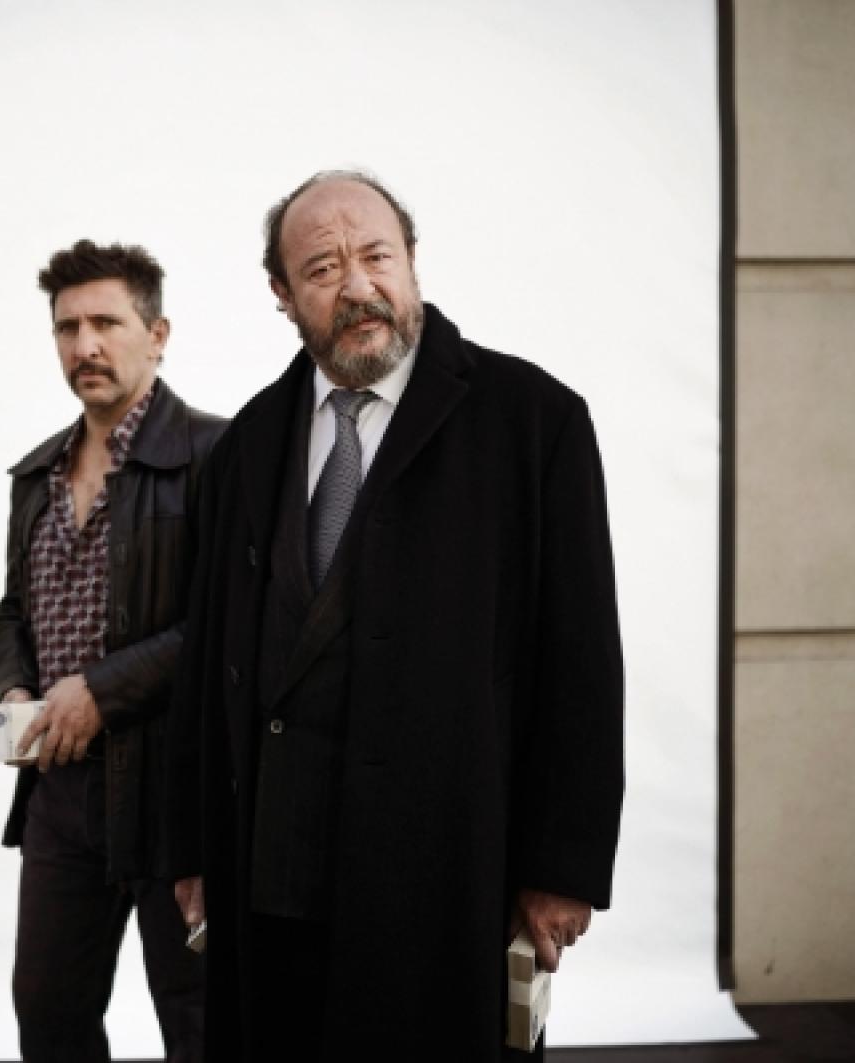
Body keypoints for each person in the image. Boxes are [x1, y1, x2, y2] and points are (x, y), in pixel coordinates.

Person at [167, 172, 625, 1061]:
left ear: (412, 261)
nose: (358, 287)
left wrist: (561, 866)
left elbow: (581, 665)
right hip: (269, 879)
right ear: (281, 293)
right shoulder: (244, 447)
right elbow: (206, 661)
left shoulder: (534, 423)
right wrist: (194, 849)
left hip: (446, 872)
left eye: (377, 256)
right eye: (322, 269)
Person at [0, 239, 225, 1063]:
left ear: (157, 335)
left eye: (105, 323)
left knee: (200, 1021)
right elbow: (12, 614)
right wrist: (17, 689)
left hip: (176, 793)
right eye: (67, 327)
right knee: (48, 1013)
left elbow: (228, 626)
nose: (84, 345)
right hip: (59, 792)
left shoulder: (216, 456)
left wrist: (101, 689)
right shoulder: (37, 475)